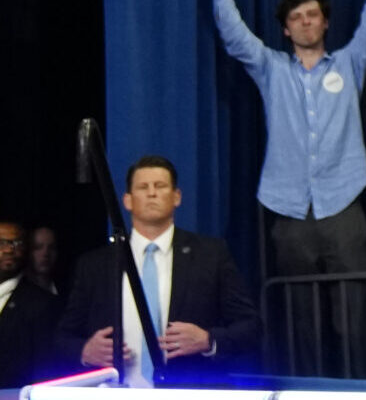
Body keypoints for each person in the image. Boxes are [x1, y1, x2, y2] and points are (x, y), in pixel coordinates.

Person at [207, 0, 366, 373]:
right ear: (286, 30)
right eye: (296, 17)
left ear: (325, 23)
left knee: (354, 319)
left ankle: (359, 391)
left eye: (313, 15)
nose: (306, 22)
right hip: (289, 208)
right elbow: (232, 31)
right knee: (299, 321)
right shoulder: (271, 68)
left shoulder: (349, 62)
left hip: (344, 203)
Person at [55, 157, 259, 384]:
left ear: (177, 197)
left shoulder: (211, 255)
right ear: (127, 200)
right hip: (114, 390)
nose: (152, 193)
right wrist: (85, 350)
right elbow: (63, 337)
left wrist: (208, 340)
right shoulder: (95, 265)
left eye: (160, 186)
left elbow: (250, 327)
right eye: (143, 187)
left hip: (187, 391)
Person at [0, 220, 62, 388]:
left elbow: (45, 372)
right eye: (2, 243)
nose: (8, 250)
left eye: (17, 243)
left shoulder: (42, 304)